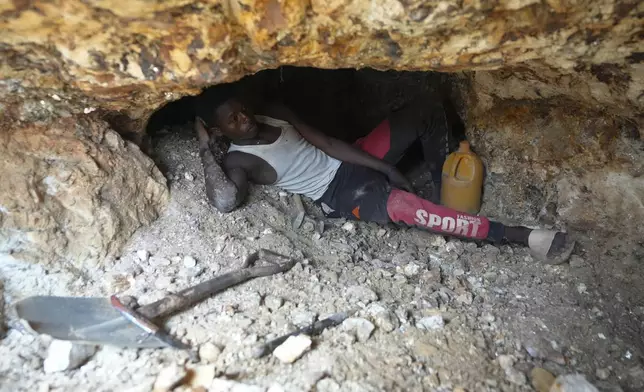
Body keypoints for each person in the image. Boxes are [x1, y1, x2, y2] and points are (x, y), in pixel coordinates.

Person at [194, 84, 575, 264]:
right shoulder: (237, 162)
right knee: (406, 207)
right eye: (232, 120)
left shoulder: (273, 110)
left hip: (351, 158)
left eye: (241, 109)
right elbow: (225, 200)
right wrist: (203, 148)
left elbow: (328, 142)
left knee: (423, 109)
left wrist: (386, 165)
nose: (243, 119)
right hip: (339, 195)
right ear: (220, 130)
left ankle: (446, 190)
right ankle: (521, 236)